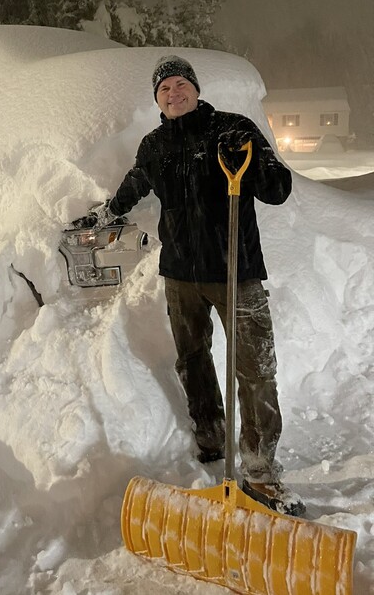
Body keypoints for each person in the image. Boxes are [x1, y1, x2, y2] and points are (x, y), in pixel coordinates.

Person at [87, 54, 304, 517]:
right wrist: (106, 213)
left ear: (196, 89)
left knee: (254, 368)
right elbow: (135, 184)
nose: (174, 93)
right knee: (193, 360)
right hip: (181, 276)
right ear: (157, 99)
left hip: (236, 273)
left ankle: (261, 471)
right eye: (164, 89)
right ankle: (210, 436)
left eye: (181, 84)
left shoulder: (232, 127)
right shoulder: (155, 145)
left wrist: (249, 162)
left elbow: (279, 188)